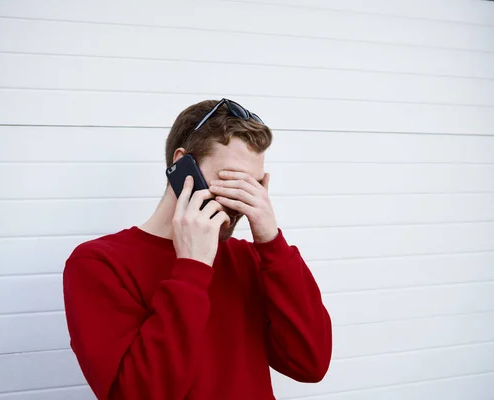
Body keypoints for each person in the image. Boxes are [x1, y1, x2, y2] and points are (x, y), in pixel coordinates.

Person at [62, 98, 332, 400]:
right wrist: (192, 268)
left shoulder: (249, 257)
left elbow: (310, 364)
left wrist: (272, 243)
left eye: (253, 186)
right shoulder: (98, 264)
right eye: (230, 180)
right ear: (182, 165)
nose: (241, 202)